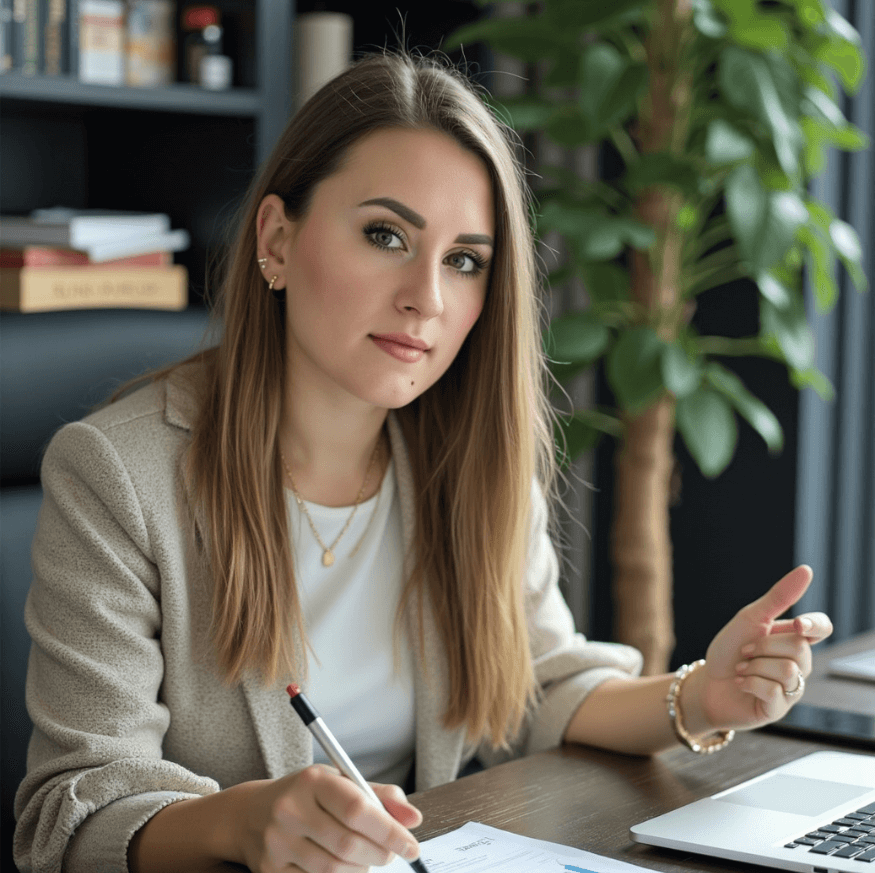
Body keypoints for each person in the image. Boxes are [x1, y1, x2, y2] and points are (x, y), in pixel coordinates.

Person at [14, 51, 832, 873]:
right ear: (275, 238)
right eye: (385, 235)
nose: (427, 299)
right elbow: (71, 812)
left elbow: (540, 683)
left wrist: (701, 695)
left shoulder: (466, 459)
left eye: (464, 260)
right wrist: (240, 824)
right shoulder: (119, 473)